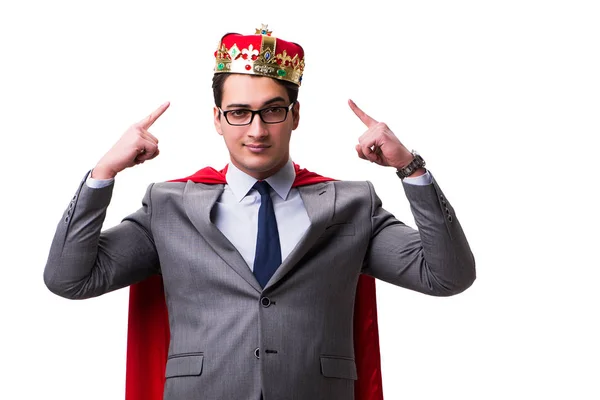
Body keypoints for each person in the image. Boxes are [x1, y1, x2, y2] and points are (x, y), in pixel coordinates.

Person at [44, 24, 476, 400]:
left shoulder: (351, 204)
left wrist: (410, 168)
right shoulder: (169, 206)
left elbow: (447, 276)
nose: (256, 129)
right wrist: (104, 172)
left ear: (295, 115)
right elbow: (70, 279)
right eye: (238, 113)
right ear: (217, 118)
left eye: (272, 110)